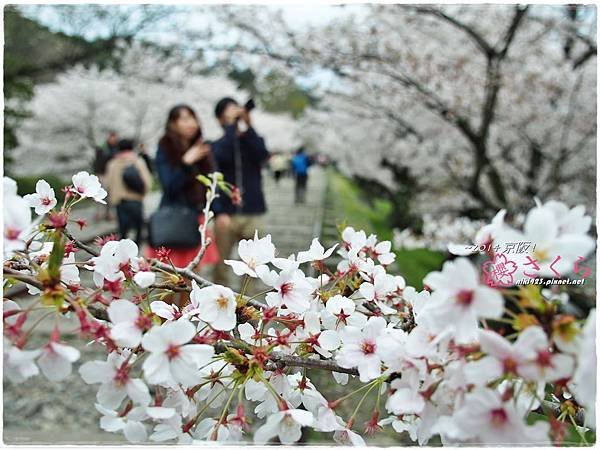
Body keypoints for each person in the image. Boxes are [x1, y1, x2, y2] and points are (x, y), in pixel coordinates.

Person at [146, 104, 220, 268]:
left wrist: (216, 214)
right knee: (172, 279)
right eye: (185, 119)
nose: (192, 123)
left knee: (192, 277)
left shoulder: (201, 148)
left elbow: (211, 185)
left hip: (197, 217)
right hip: (174, 218)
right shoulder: (165, 147)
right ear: (172, 124)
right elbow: (169, 186)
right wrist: (186, 162)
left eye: (193, 118)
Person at [211, 97, 270, 286]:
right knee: (221, 266)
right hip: (226, 215)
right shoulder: (217, 145)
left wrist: (249, 125)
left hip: (253, 212)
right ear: (220, 119)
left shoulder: (252, 141)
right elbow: (222, 156)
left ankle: (247, 310)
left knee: (253, 267)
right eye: (228, 111)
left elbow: (262, 154)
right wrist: (218, 212)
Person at [105, 139, 153, 244]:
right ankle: (136, 251)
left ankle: (122, 254)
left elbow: (107, 184)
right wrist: (143, 193)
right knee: (139, 228)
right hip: (135, 199)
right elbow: (147, 182)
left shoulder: (112, 163)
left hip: (119, 201)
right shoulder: (138, 161)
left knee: (123, 230)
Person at [93, 131, 119, 221]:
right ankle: (100, 214)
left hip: (112, 175)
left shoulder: (116, 148)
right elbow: (98, 162)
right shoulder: (103, 148)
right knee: (101, 194)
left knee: (111, 196)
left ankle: (110, 214)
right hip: (103, 174)